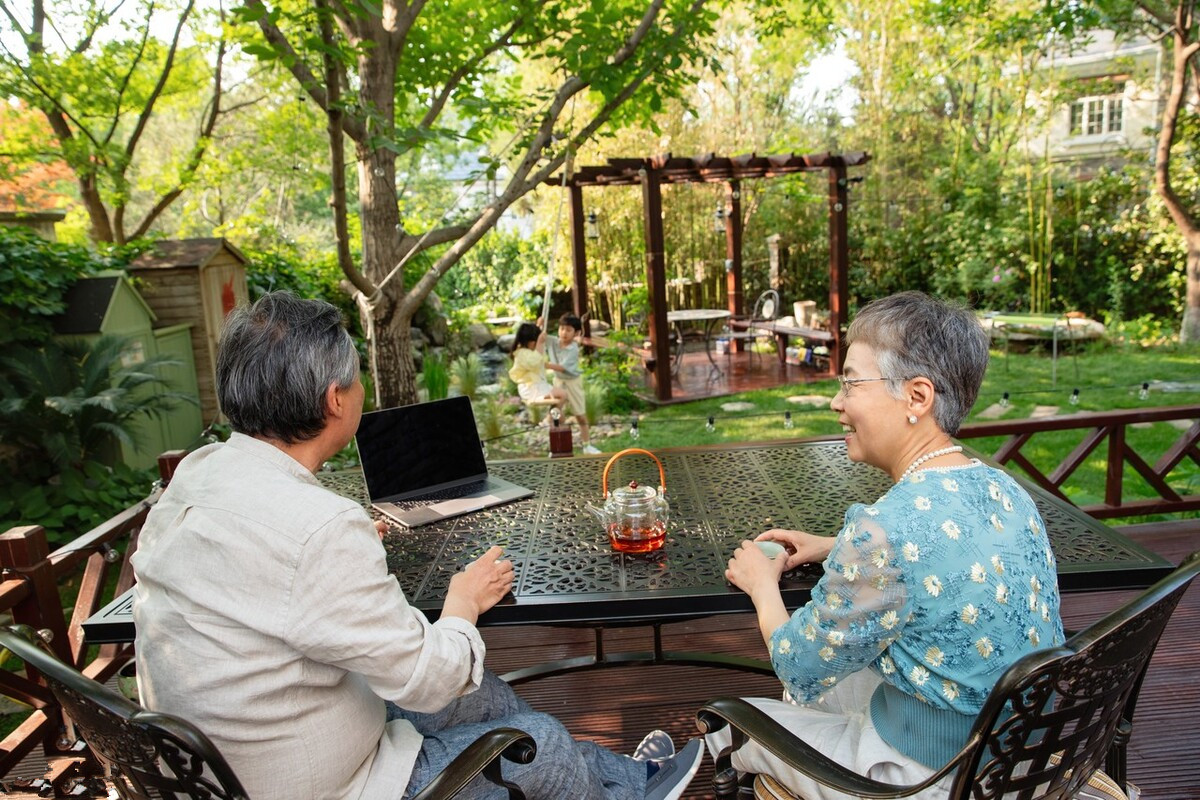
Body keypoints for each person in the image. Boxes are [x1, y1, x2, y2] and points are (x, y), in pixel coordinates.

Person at [131, 292, 703, 800]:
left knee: (475, 694)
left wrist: (334, 539)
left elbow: (266, 566)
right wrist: (462, 603)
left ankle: (628, 784)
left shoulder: (202, 472)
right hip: (318, 782)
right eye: (356, 379)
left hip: (217, 759)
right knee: (541, 744)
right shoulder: (316, 528)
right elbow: (429, 677)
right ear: (336, 399)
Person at [715, 291, 1065, 800]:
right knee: (839, 674)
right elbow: (949, 546)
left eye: (851, 382)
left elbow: (795, 662)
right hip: (1017, 754)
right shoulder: (1003, 487)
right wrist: (834, 545)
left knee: (732, 721)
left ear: (917, 398)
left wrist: (761, 584)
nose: (837, 402)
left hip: (928, 777)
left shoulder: (883, 532)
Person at [545, 313, 601, 455]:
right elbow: (541, 337)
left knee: (580, 415)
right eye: (562, 328)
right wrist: (540, 324)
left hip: (572, 382)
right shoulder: (553, 341)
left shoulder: (573, 348)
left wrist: (543, 364)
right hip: (558, 381)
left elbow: (562, 367)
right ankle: (557, 447)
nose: (564, 333)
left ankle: (587, 445)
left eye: (568, 330)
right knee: (556, 414)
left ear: (577, 333)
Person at [508, 321, 567, 415]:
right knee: (562, 395)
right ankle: (550, 419)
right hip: (531, 389)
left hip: (537, 386)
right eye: (535, 343)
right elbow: (534, 362)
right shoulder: (521, 353)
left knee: (561, 399)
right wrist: (539, 343)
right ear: (531, 342)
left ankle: (553, 419)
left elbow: (539, 356)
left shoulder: (527, 351)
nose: (537, 346)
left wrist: (539, 326)